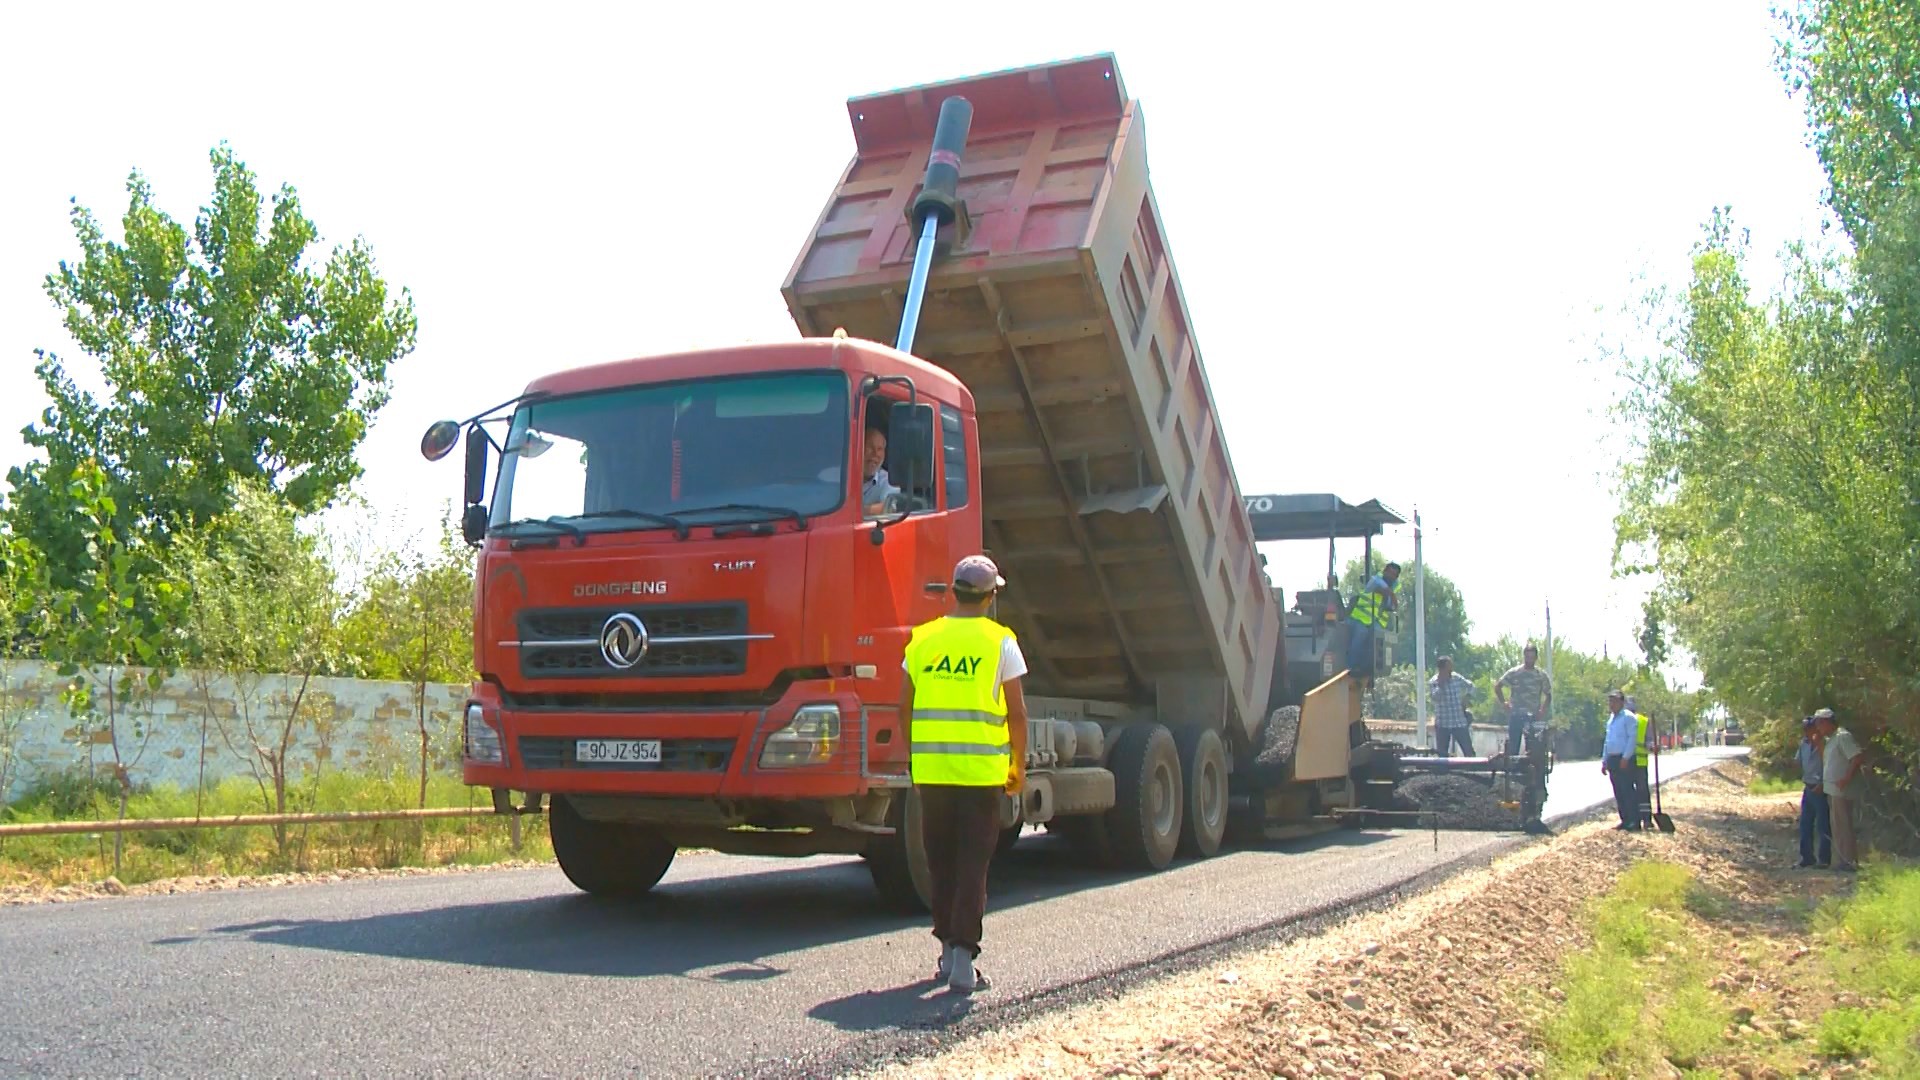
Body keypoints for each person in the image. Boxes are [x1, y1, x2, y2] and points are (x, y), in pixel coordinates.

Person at [900, 554, 1029, 993]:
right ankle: (963, 956)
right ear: (991, 597)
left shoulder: (922, 640)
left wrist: (914, 758)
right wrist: (1018, 765)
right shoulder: (1000, 642)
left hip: (933, 772)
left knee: (940, 861)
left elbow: (905, 707)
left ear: (953, 592)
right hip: (980, 774)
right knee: (973, 862)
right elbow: (1018, 714)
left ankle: (945, 950)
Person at [1815, 708, 1864, 872]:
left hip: (1842, 790)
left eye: (1820, 723)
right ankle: (1843, 859)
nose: (1818, 727)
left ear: (1827, 722)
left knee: (1843, 825)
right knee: (1837, 825)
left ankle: (1848, 861)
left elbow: (1856, 757)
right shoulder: (1831, 739)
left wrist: (1846, 779)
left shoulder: (1843, 736)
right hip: (1833, 790)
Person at [1344, 562, 1401, 681]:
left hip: (1375, 623)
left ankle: (1366, 671)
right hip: (1359, 619)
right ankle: (1349, 668)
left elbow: (1394, 606)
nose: (1390, 576)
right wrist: (1391, 594)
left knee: (1376, 647)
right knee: (1358, 641)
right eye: (1389, 572)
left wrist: (1392, 596)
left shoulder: (1392, 588)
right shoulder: (1376, 580)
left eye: (1394, 575)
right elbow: (1384, 591)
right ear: (1384, 571)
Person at [1494, 644, 1554, 757]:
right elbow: (1498, 686)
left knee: (1534, 748)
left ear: (1536, 658)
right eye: (1527, 657)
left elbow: (1548, 695)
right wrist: (1504, 703)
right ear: (1524, 657)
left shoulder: (1541, 675)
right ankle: (1513, 771)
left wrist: (1542, 711)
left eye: (1532, 657)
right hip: (1516, 713)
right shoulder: (1515, 672)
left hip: (1533, 716)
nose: (1529, 660)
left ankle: (1532, 771)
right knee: (1513, 748)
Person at [1600, 690, 1640, 831]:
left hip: (1625, 758)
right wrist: (1604, 760)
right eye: (1610, 701)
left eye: (1615, 701)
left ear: (1622, 702)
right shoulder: (1611, 719)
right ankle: (1625, 820)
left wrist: (1626, 757)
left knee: (1627, 790)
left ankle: (1635, 821)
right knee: (1618, 791)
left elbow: (1632, 738)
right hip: (1613, 758)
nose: (1612, 704)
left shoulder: (1628, 717)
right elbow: (1607, 741)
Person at [1796, 716, 1831, 869]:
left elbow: (1829, 763)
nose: (1806, 732)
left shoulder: (1824, 744)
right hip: (1808, 785)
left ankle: (1824, 859)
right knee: (1805, 823)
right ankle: (1807, 857)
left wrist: (1823, 783)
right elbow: (1798, 761)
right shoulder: (1803, 744)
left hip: (1820, 786)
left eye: (1808, 729)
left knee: (1823, 824)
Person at [1428, 655, 1476, 756]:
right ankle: (1443, 771)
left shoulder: (1456, 677)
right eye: (1448, 667)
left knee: (1468, 751)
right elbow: (1435, 698)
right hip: (1443, 723)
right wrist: (1441, 684)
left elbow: (1471, 686)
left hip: (1459, 721)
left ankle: (1474, 768)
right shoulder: (1434, 682)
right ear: (1442, 669)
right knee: (1442, 753)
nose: (1451, 669)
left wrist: (1467, 697)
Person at [1628, 697, 1655, 830]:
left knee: (1637, 792)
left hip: (1637, 761)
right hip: (1631, 761)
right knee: (1641, 791)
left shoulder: (1643, 721)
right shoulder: (1624, 720)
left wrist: (1652, 747)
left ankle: (1644, 819)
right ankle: (1641, 820)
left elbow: (1649, 740)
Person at [861, 426, 899, 516]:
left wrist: (851, 512)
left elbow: (890, 508)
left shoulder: (889, 480)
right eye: (870, 447)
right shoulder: (836, 475)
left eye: (879, 449)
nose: (875, 454)